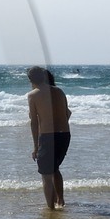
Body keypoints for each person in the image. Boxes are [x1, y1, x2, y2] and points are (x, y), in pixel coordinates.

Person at [27, 65, 71, 209]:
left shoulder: (33, 95)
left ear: (31, 80)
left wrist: (35, 146)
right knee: (55, 168)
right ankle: (60, 200)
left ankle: (50, 209)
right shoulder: (59, 91)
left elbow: (34, 122)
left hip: (47, 136)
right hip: (65, 135)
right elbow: (68, 113)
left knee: (46, 175)